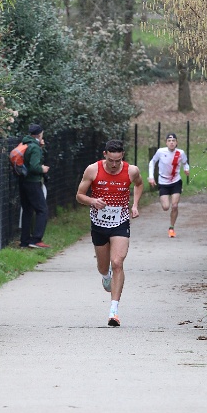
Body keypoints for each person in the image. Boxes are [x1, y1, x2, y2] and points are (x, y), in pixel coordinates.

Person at [76, 139, 143, 327]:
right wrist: (92, 201)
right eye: (111, 161)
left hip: (120, 223)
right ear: (105, 154)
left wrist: (135, 205)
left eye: (118, 161)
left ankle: (114, 311)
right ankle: (106, 277)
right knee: (103, 267)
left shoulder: (131, 171)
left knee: (117, 262)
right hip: (99, 224)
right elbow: (79, 195)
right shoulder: (93, 170)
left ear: (123, 156)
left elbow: (139, 184)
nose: (114, 165)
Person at [148, 132, 189, 238]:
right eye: (169, 141)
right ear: (166, 143)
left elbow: (185, 163)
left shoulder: (180, 153)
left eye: (173, 141)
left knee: (174, 205)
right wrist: (151, 177)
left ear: (176, 142)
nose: (171, 143)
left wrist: (186, 169)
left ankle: (171, 228)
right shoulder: (160, 151)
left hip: (176, 182)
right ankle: (164, 200)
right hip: (163, 182)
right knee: (166, 207)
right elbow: (152, 162)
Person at [19, 123, 50, 249]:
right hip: (33, 182)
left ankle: (24, 241)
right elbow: (34, 166)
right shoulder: (35, 147)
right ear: (39, 134)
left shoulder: (25, 143)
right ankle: (36, 239)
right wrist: (43, 169)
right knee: (42, 210)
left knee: (27, 210)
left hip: (23, 182)